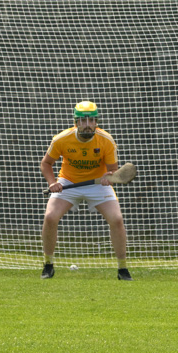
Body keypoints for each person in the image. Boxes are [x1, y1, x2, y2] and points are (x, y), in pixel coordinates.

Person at [40, 101, 132, 281]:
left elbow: (113, 170)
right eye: (83, 120)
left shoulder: (106, 140)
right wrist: (52, 182)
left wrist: (109, 176)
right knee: (50, 217)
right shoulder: (61, 139)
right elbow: (46, 164)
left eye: (91, 120)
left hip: (97, 185)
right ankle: (48, 264)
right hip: (68, 181)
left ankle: (123, 269)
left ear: (96, 122)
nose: (87, 124)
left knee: (117, 219)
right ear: (76, 122)